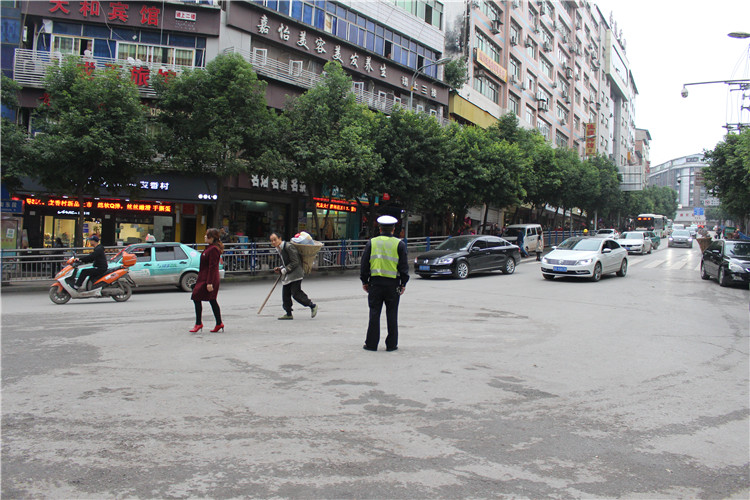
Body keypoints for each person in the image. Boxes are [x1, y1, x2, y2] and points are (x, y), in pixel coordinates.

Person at [360, 215, 409, 352]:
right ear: (393, 229)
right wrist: (403, 283)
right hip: (393, 285)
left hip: (375, 284)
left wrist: (365, 281)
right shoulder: (399, 244)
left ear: (380, 229)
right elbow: (404, 267)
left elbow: (364, 264)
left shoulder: (372, 243)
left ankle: (371, 344)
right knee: (392, 314)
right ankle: (391, 345)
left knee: (374, 314)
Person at [270, 232, 318, 320]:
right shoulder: (279, 249)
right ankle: (288, 313)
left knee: (296, 294)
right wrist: (280, 268)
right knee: (286, 295)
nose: (273, 242)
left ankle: (312, 306)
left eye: (275, 240)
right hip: (288, 275)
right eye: (271, 241)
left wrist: (284, 270)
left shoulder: (288, 247)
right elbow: (286, 262)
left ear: (280, 239)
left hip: (296, 274)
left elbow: (295, 262)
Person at [190, 228, 224, 333]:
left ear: (212, 237)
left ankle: (199, 323)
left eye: (207, 235)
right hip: (203, 278)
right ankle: (218, 323)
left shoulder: (213, 249)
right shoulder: (209, 248)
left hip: (209, 279)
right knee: (210, 300)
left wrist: (209, 283)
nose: (205, 237)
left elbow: (212, 267)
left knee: (198, 297)